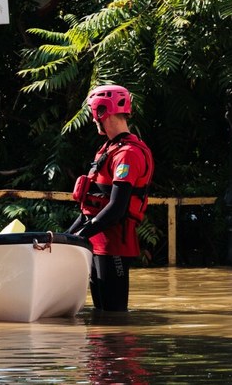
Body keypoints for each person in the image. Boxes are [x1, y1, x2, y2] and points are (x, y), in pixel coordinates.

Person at [66, 84, 154, 312]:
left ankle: (118, 349)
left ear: (101, 111)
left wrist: (80, 236)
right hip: (97, 241)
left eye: (94, 113)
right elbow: (90, 210)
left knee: (113, 314)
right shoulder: (108, 149)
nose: (93, 119)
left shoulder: (128, 154)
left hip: (114, 244)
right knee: (101, 314)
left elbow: (116, 208)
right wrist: (66, 237)